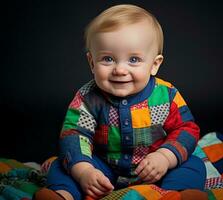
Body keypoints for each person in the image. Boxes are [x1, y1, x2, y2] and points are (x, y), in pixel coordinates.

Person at [34, 4, 207, 200]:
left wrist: (165, 157)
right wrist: (84, 172)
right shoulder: (87, 97)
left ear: (154, 64)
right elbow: (75, 134)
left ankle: (179, 194)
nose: (120, 70)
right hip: (103, 169)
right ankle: (63, 195)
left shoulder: (166, 95)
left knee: (193, 164)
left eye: (133, 59)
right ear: (92, 63)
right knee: (61, 165)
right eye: (108, 59)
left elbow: (186, 128)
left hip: (154, 168)